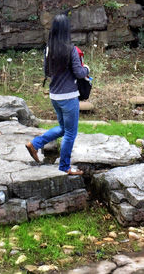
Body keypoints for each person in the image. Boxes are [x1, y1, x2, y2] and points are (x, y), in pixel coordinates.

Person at [25, 14, 88, 175]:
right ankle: (65, 166)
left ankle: (35, 144)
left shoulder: (48, 48)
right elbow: (80, 74)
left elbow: (47, 72)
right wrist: (87, 68)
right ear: (66, 30)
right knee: (70, 133)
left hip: (55, 96)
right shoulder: (71, 49)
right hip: (68, 97)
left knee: (63, 128)